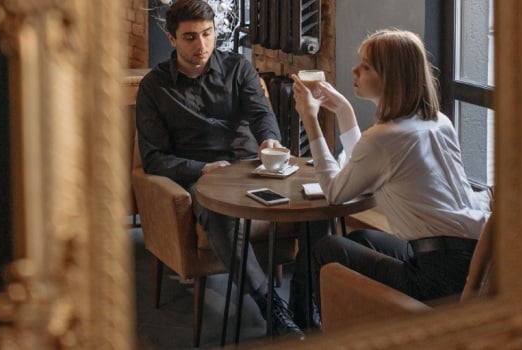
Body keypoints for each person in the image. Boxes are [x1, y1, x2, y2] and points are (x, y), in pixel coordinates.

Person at [136, 0, 321, 339]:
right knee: (216, 212)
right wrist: (202, 169)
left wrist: (270, 142)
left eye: (207, 34)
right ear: (171, 38)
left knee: (318, 201)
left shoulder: (238, 68)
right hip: (200, 176)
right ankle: (269, 304)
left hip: (250, 167)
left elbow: (261, 114)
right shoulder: (154, 87)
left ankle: (303, 296)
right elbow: (153, 158)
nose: (201, 45)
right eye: (190, 37)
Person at [290, 29, 492, 311]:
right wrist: (345, 112)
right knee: (361, 239)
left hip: (436, 277)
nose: (355, 70)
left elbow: (336, 192)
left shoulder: (385, 138)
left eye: (366, 66)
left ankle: (302, 330)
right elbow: (371, 168)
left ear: (391, 78)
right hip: (469, 259)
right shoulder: (437, 121)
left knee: (325, 250)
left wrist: (310, 120)